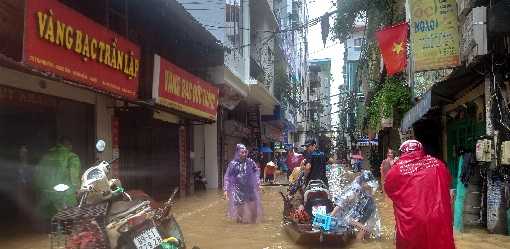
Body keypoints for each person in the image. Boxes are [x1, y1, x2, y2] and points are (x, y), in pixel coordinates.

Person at [384, 140, 455, 249]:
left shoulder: (396, 170)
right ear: (421, 150)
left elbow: (389, 191)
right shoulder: (438, 164)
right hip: (438, 217)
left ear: (402, 152)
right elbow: (447, 186)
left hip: (412, 222)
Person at [33, 136, 81, 221]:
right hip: (65, 195)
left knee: (49, 219)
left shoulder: (46, 156)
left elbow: (37, 174)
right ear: (69, 145)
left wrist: (40, 189)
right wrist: (78, 188)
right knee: (67, 220)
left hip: (47, 195)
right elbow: (74, 176)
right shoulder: (72, 157)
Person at [331, 170, 381, 240]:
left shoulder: (365, 189)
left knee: (367, 230)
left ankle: (363, 241)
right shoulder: (354, 191)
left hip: (357, 214)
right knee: (363, 229)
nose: (370, 186)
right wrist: (331, 216)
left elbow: (370, 198)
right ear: (363, 182)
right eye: (368, 183)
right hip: (347, 217)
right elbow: (341, 203)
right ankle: (358, 244)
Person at [223, 144, 262, 223]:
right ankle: (239, 231)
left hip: (250, 189)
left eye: (245, 152)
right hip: (238, 191)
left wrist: (258, 184)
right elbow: (227, 177)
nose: (244, 154)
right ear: (237, 153)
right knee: (240, 216)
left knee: (254, 213)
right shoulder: (233, 164)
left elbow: (256, 172)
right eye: (242, 152)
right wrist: (226, 190)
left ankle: (252, 230)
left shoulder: (250, 162)